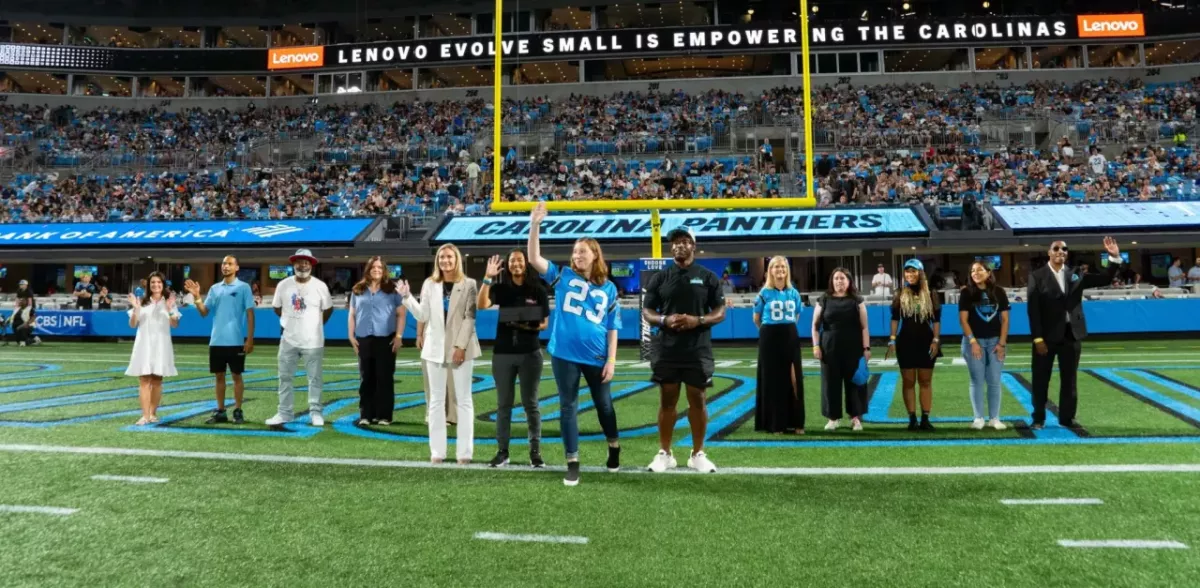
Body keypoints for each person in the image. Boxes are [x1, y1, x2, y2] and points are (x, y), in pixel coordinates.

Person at [527, 202, 622, 487]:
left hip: (596, 355)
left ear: (595, 255)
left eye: (582, 250)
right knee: (567, 407)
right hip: (565, 354)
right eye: (574, 251)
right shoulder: (562, 276)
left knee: (604, 406)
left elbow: (612, 327)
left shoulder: (609, 287)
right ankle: (572, 462)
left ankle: (614, 446)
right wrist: (535, 225)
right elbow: (534, 258)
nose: (576, 255)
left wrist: (612, 360)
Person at [641, 227, 725, 473]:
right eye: (675, 242)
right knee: (667, 399)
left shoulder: (708, 276)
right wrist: (665, 320)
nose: (679, 245)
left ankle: (697, 453)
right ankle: (665, 453)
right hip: (667, 347)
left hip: (697, 347)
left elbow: (719, 312)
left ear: (693, 246)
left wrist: (697, 320)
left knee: (697, 399)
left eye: (685, 241)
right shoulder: (660, 277)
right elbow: (648, 311)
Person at [1027, 237, 1124, 430]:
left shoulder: (1076, 273)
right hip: (1045, 338)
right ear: (1049, 252)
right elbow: (1033, 310)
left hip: (1071, 335)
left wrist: (1114, 257)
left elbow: (1105, 278)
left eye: (1064, 249)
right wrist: (1038, 338)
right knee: (1040, 379)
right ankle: (1038, 418)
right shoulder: (1037, 276)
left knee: (1069, 379)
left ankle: (1067, 418)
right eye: (1056, 248)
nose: (1060, 251)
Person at [399, 244, 482, 465]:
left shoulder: (470, 284)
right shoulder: (429, 283)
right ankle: (437, 452)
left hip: (462, 350)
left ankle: (464, 453)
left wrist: (460, 347)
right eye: (442, 257)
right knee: (435, 401)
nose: (445, 261)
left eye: (449, 257)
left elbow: (470, 318)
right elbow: (423, 314)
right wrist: (407, 298)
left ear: (457, 259)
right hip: (434, 349)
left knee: (463, 400)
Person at [477, 249, 549, 468]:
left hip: (530, 353)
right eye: (512, 261)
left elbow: (544, 323)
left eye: (519, 260)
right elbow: (482, 305)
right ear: (507, 266)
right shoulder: (500, 288)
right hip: (503, 353)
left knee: (531, 404)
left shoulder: (537, 288)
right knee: (504, 405)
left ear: (525, 263)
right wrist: (487, 278)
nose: (516, 264)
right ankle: (503, 452)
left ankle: (535, 452)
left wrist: (524, 324)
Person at [184, 255, 256, 425]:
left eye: (230, 264)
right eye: (224, 263)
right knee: (219, 376)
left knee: (237, 376)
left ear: (237, 268)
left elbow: (250, 314)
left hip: (236, 340)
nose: (226, 266)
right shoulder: (215, 288)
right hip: (216, 341)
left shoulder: (244, 287)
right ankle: (221, 410)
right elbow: (204, 312)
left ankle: (238, 410)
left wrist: (250, 339)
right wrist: (196, 297)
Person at [266, 249, 334, 427]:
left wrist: (314, 326)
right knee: (284, 378)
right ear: (293, 264)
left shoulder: (320, 286)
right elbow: (277, 307)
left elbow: (328, 309)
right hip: (288, 340)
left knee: (315, 379)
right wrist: (290, 324)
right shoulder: (283, 285)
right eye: (299, 261)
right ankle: (284, 413)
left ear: (311, 264)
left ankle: (316, 412)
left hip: (313, 341)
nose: (302, 264)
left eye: (306, 261)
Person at [348, 256, 406, 426]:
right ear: (368, 269)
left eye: (380, 267)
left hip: (386, 340)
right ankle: (366, 414)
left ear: (384, 270)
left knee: (385, 378)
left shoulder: (392, 290)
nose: (377, 270)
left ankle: (384, 415)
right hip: (364, 339)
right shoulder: (357, 290)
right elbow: (352, 315)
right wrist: (351, 336)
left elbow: (401, 314)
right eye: (373, 267)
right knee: (366, 378)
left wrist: (399, 337)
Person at [885, 259, 942, 431]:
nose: (910, 275)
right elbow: (895, 319)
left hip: (926, 340)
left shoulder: (931, 293)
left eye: (914, 271)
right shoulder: (899, 293)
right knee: (908, 382)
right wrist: (892, 340)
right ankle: (912, 419)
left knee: (925, 381)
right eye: (907, 272)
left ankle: (925, 418)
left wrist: (936, 340)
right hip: (906, 341)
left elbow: (936, 320)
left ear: (921, 273)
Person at [811, 268, 870, 431]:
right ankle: (833, 418)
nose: (839, 282)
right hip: (829, 348)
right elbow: (815, 326)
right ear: (832, 281)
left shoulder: (857, 300)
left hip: (854, 348)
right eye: (836, 278)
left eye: (842, 278)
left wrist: (866, 348)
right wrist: (816, 346)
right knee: (830, 383)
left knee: (855, 384)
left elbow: (864, 327)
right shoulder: (824, 299)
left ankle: (856, 418)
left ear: (849, 281)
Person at [752, 255, 805, 435]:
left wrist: (787, 328)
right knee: (773, 381)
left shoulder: (794, 293)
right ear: (770, 271)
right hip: (770, 337)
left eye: (783, 267)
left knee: (794, 378)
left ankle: (797, 421)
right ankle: (776, 423)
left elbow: (797, 315)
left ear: (787, 270)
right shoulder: (763, 294)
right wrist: (769, 332)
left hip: (790, 336)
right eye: (776, 267)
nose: (780, 270)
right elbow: (756, 319)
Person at [958, 261, 1010, 431]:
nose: (975, 273)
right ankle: (978, 418)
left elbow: (1005, 320)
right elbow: (963, 320)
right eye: (972, 270)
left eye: (979, 269)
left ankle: (994, 418)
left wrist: (1002, 343)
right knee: (977, 380)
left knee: (994, 380)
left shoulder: (999, 292)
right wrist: (973, 342)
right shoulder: (966, 292)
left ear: (989, 272)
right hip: (974, 342)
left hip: (996, 342)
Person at [125, 271, 180, 426]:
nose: (156, 285)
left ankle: (153, 413)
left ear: (163, 285)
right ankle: (145, 415)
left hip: (162, 344)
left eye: (159, 282)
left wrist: (169, 310)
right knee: (144, 379)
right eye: (153, 283)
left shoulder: (169, 302)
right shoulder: (141, 302)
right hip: (144, 344)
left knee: (157, 380)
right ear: (149, 285)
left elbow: (175, 324)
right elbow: (132, 324)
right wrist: (135, 308)